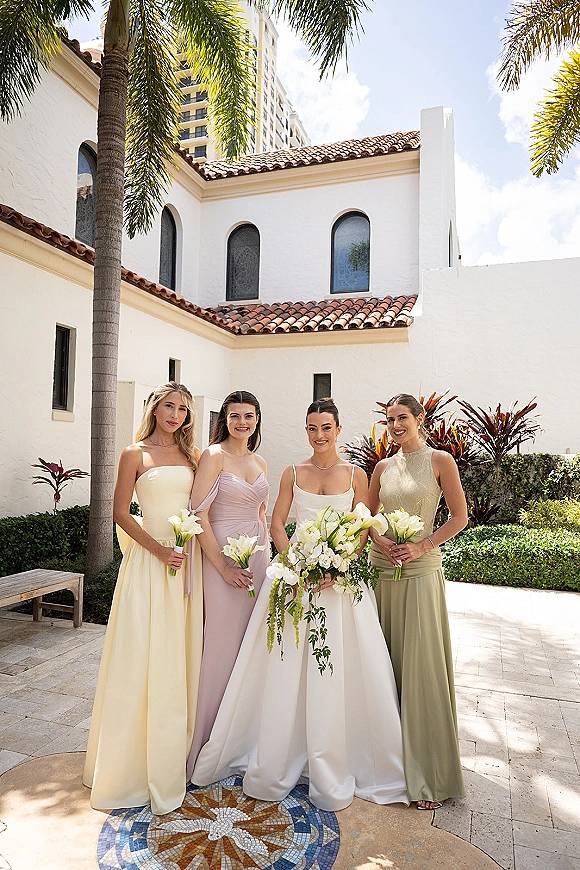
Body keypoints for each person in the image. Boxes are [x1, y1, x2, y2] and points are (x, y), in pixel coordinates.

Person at [191, 398, 409, 812]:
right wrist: (297, 561)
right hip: (298, 577)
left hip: (341, 583)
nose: (319, 435)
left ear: (338, 429)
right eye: (312, 428)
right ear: (305, 431)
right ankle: (277, 747)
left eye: (326, 427)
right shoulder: (291, 471)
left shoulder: (356, 474)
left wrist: (340, 561)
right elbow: (275, 522)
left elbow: (362, 525)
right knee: (284, 663)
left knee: (343, 667)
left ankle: (343, 754)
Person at [83, 382, 203, 816]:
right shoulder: (134, 453)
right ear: (154, 407)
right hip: (150, 565)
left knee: (176, 658)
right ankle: (129, 766)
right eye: (169, 406)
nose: (175, 414)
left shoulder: (194, 456)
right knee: (140, 656)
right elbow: (119, 513)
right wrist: (156, 549)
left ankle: (174, 757)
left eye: (183, 409)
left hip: (186, 566)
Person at [368, 393, 468, 810]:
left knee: (421, 669)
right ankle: (386, 763)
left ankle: (427, 772)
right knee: (381, 666)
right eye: (390, 419)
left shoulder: (441, 460)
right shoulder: (381, 467)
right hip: (381, 572)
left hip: (420, 571)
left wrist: (423, 545)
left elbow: (460, 517)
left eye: (402, 417)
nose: (395, 425)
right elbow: (365, 514)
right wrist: (379, 538)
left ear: (420, 419)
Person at [186, 390, 269, 776]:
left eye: (249, 415)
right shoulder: (213, 455)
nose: (242, 422)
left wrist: (270, 561)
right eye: (235, 416)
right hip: (220, 557)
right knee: (220, 644)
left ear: (257, 419)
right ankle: (205, 742)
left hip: (257, 558)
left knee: (250, 646)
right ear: (225, 419)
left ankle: (240, 737)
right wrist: (222, 566)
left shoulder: (260, 460)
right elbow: (197, 514)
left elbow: (262, 513)